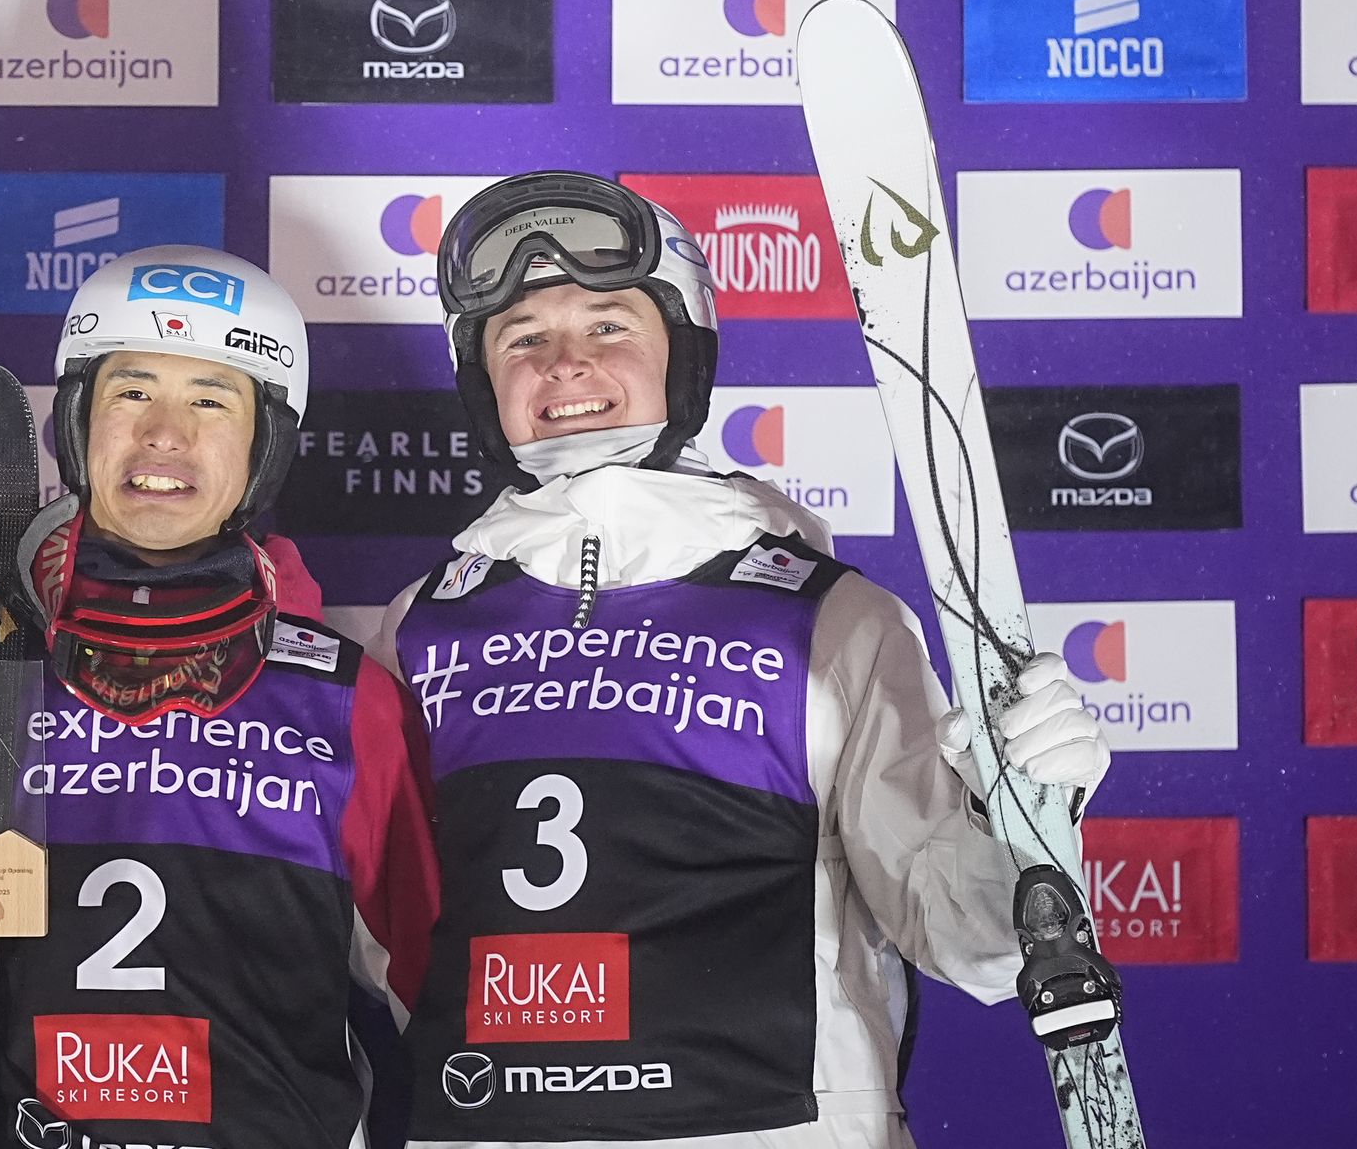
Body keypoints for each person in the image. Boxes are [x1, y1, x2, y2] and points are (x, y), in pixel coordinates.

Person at [386, 174, 1112, 1149]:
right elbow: (368, 933)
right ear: (484, 380)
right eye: (523, 338)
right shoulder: (419, 628)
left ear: (681, 352)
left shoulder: (830, 618)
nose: (565, 364)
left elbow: (969, 941)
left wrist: (1029, 824)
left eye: (608, 326)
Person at [0, 246, 440, 1149]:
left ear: (265, 444)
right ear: (76, 422)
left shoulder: (350, 706)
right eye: (131, 391)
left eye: (210, 399)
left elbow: (445, 1004)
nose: (165, 434)